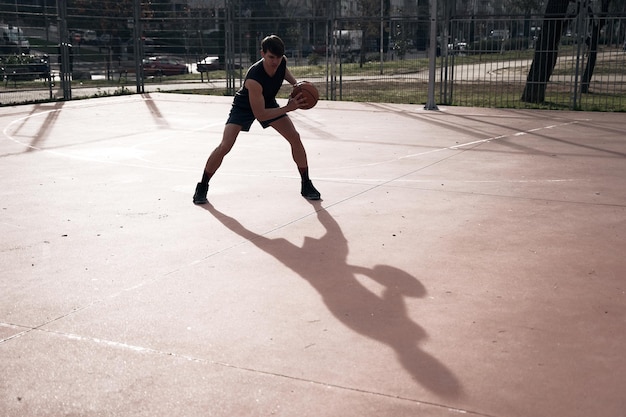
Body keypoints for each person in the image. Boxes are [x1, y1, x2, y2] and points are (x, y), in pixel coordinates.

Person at [193, 34, 321, 204]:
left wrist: (297, 86)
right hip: (244, 106)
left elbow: (283, 70)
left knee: (294, 138)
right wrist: (288, 108)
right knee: (225, 146)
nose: (275, 61)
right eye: (271, 57)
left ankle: (306, 183)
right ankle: (202, 186)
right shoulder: (254, 78)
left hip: (266, 100)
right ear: (262, 54)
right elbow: (260, 114)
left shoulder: (281, 61)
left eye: (278, 57)